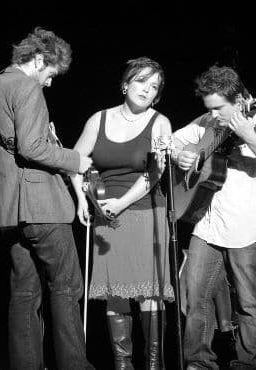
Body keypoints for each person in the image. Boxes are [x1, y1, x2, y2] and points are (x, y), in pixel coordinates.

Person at [0, 27, 94, 370]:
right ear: (39, 59)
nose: (50, 83)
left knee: (25, 293)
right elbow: (31, 146)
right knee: (67, 287)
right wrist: (75, 160)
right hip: (41, 208)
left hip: (7, 213)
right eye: (51, 74)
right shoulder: (25, 87)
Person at [173, 65, 256, 369]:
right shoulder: (210, 121)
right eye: (208, 109)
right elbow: (173, 141)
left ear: (239, 100)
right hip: (208, 224)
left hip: (249, 227)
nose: (213, 115)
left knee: (249, 303)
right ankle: (198, 362)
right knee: (194, 294)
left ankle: (246, 364)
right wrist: (182, 155)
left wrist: (248, 134)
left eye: (218, 108)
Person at [71, 57, 174, 370]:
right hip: (107, 217)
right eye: (142, 81)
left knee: (148, 294)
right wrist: (81, 200)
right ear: (126, 83)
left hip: (144, 213)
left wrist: (121, 203)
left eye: (154, 86)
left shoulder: (160, 122)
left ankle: (154, 365)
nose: (147, 89)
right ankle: (122, 364)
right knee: (116, 295)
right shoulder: (98, 120)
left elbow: (154, 175)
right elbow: (74, 162)